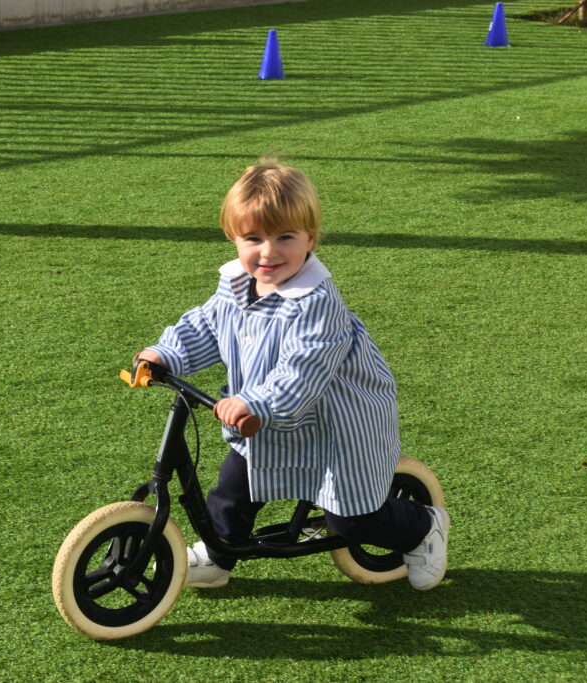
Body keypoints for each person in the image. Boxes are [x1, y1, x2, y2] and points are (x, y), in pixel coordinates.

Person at [134, 161, 449, 591]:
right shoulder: (236, 285)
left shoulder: (317, 302)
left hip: (339, 426)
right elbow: (206, 325)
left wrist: (255, 402)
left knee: (352, 518)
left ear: (311, 239)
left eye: (285, 237)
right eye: (253, 238)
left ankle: (421, 528)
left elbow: (303, 369)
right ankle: (219, 552)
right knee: (232, 490)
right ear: (233, 238)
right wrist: (165, 353)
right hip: (265, 420)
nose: (268, 252)